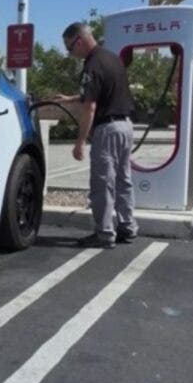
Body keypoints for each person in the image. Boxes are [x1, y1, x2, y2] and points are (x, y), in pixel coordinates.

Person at [51, 22, 138, 249]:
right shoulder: (111, 58)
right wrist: (69, 98)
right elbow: (99, 95)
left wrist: (80, 142)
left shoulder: (92, 65)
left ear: (79, 41)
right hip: (126, 127)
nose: (71, 54)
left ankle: (104, 233)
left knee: (102, 184)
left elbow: (90, 107)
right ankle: (127, 227)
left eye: (70, 49)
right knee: (123, 180)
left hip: (107, 130)